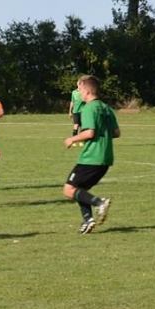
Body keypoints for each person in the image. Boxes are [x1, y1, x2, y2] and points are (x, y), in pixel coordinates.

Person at [62, 75, 119, 234]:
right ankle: (88, 220)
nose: (78, 93)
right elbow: (116, 132)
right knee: (80, 190)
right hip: (106, 158)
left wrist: (72, 139)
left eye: (80, 89)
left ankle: (99, 203)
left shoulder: (88, 108)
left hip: (91, 157)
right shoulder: (106, 108)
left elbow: (89, 133)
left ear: (87, 91)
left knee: (68, 190)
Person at [68, 80, 85, 147]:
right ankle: (73, 141)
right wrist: (70, 111)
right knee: (76, 126)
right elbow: (72, 102)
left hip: (83, 111)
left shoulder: (84, 92)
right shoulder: (74, 92)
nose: (81, 86)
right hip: (76, 111)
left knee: (82, 127)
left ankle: (81, 141)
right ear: (78, 84)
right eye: (80, 84)